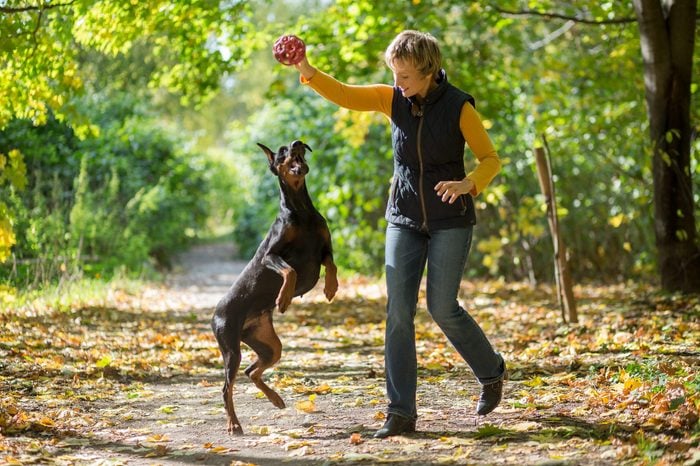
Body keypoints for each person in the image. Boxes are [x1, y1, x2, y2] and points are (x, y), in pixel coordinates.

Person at [288, 30, 506, 438]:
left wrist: (468, 184)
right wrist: (306, 69)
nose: (398, 84)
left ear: (428, 72)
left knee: (442, 307)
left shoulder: (459, 107)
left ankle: (491, 370)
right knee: (398, 315)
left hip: (449, 221)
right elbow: (347, 94)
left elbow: (490, 159)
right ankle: (401, 412)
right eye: (394, 75)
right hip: (404, 219)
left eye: (405, 76)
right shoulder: (393, 99)